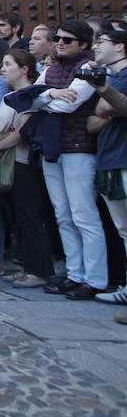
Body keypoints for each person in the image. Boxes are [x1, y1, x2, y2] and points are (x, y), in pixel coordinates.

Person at [35, 21, 108, 299]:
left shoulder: (88, 69)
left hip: (78, 148)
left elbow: (70, 103)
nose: (60, 43)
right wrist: (51, 93)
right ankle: (75, 273)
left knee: (83, 215)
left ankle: (95, 279)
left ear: (84, 44)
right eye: (58, 39)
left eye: (67, 40)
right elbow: (26, 98)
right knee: (63, 215)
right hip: (53, 147)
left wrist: (44, 99)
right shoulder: (52, 68)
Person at [0, 48, 55, 288]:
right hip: (8, 161)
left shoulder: (30, 96)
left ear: (24, 69)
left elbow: (22, 133)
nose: (3, 69)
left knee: (29, 217)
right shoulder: (10, 94)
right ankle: (27, 266)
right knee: (17, 217)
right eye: (3, 64)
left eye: (9, 64)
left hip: (24, 162)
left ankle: (39, 270)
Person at [85, 30, 127, 304]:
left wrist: (106, 95)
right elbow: (94, 119)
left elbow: (117, 107)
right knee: (123, 229)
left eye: (102, 42)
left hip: (123, 157)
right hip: (109, 156)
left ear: (121, 47)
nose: (96, 46)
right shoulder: (112, 78)